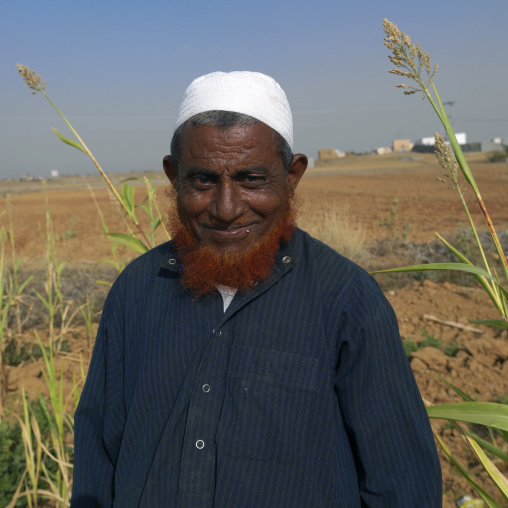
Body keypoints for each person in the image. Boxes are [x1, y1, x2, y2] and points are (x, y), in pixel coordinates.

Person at [72, 71, 442, 507]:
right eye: (203, 181)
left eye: (251, 180)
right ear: (174, 178)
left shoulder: (347, 301)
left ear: (292, 176)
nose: (226, 209)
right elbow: (97, 463)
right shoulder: (135, 291)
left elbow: (404, 489)